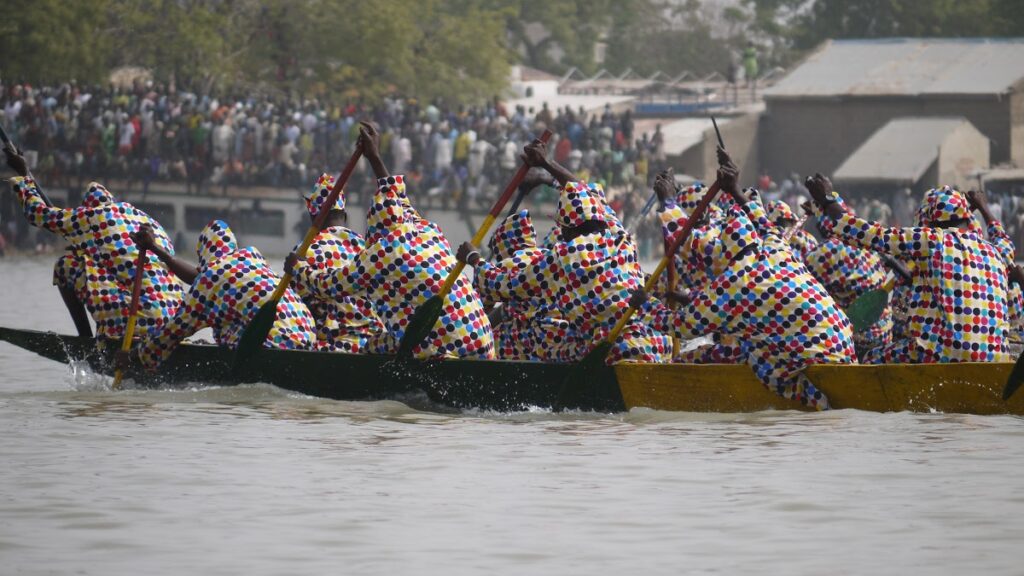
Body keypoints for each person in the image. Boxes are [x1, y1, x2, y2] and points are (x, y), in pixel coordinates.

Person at [634, 150, 855, 410]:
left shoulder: (731, 285)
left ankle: (815, 402)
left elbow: (680, 325)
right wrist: (735, 187)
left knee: (752, 355)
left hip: (812, 355)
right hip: (843, 342)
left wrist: (643, 304)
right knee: (750, 345)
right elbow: (760, 220)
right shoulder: (776, 246)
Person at [289, 122, 494, 359]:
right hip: (484, 342)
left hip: (443, 349)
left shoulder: (379, 252)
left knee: (370, 349)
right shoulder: (427, 230)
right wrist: (375, 157)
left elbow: (329, 287)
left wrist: (297, 268)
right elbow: (398, 197)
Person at [458, 138, 671, 365]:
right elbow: (584, 191)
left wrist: (473, 258)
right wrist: (546, 164)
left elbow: (500, 285)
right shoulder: (617, 232)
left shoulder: (560, 259)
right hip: (656, 338)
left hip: (610, 349)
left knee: (526, 344)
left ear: (567, 229)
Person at [806, 176, 1014, 363]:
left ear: (929, 218)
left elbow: (867, 234)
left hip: (938, 354)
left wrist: (829, 199)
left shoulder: (931, 240)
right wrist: (984, 207)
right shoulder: (995, 252)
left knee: (867, 358)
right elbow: (1004, 242)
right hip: (995, 356)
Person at [5, 148, 184, 340]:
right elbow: (124, 260)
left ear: (89, 208)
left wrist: (24, 174)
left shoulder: (91, 216)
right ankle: (126, 332)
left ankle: (85, 339)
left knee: (65, 266)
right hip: (177, 321)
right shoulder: (148, 221)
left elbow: (37, 213)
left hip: (142, 318)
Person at [133, 219, 316, 369]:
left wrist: (136, 356)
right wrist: (155, 248)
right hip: (307, 337)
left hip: (271, 343)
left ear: (204, 254)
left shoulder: (209, 279)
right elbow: (201, 279)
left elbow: (171, 334)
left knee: (217, 330)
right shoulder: (252, 260)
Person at [288, 173, 383, 353]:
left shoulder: (303, 253)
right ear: (345, 216)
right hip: (374, 345)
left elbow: (294, 306)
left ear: (312, 218)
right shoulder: (367, 248)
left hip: (332, 346)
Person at [800, 199, 893, 361]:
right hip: (883, 335)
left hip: (851, 339)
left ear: (821, 227)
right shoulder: (867, 244)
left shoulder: (824, 252)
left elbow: (801, 287)